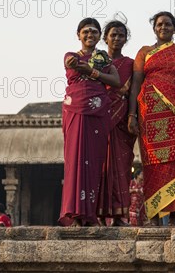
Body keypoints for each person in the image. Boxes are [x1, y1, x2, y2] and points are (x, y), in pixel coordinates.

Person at [128, 11, 175, 226]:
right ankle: (154, 216)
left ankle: (173, 217)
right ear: (154, 28)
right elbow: (136, 84)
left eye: (168, 24)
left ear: (174, 28)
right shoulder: (144, 52)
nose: (164, 27)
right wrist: (131, 114)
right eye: (160, 24)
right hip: (149, 116)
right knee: (154, 166)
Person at [60, 17, 120, 226]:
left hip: (99, 111)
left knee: (94, 162)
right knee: (75, 161)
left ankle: (90, 215)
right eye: (85, 31)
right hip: (75, 110)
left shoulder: (103, 59)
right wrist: (90, 70)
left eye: (94, 32)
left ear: (98, 36)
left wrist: (93, 72)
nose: (89, 35)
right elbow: (72, 65)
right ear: (78, 35)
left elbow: (116, 81)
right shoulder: (71, 55)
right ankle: (74, 214)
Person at [97, 19, 136, 226]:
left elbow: (133, 93)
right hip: (100, 117)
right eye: (113, 35)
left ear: (126, 39)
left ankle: (121, 215)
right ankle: (101, 215)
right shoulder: (97, 61)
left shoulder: (131, 63)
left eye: (121, 35)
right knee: (101, 167)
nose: (117, 38)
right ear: (105, 38)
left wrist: (132, 116)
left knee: (121, 166)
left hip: (121, 120)